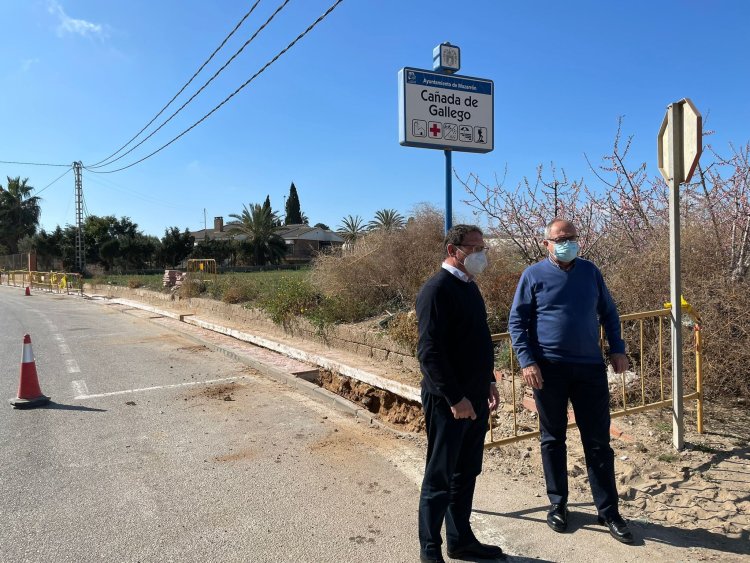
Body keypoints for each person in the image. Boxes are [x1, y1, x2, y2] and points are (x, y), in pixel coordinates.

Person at [508, 218, 634, 544]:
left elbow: (609, 312)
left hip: (589, 369)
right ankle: (558, 504)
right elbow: (517, 322)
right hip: (548, 370)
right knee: (553, 439)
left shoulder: (591, 272)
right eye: (560, 238)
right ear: (546, 243)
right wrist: (527, 362)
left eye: (572, 237)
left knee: (598, 443)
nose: (567, 243)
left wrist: (617, 349)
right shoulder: (533, 275)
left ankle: (609, 511)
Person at [416, 224, 504, 562]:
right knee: (439, 477)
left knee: (466, 472)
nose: (481, 254)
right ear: (454, 251)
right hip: (448, 402)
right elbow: (430, 353)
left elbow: (478, 341)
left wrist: (488, 382)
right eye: (475, 248)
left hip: (475, 396)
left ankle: (461, 539)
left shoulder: (470, 287)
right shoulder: (436, 290)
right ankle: (430, 550)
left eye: (483, 248)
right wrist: (455, 398)